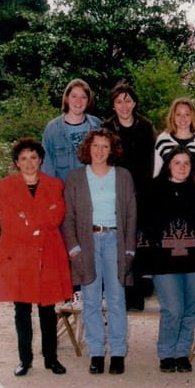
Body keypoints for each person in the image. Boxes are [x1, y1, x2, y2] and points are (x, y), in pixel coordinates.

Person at [0, 138, 73, 377]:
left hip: (48, 252)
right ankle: (24, 360)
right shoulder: (5, 187)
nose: (29, 163)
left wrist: (28, 219)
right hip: (20, 255)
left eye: (33, 158)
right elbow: (9, 222)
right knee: (22, 309)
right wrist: (37, 223)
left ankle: (51, 359)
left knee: (48, 309)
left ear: (41, 160)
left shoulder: (55, 185)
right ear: (17, 162)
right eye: (23, 158)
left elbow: (56, 216)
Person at [62, 128, 137, 375]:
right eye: (96, 146)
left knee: (116, 299)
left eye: (105, 146)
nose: (100, 151)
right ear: (88, 148)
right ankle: (95, 352)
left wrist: (129, 250)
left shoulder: (123, 176)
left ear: (112, 150)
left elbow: (131, 214)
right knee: (91, 300)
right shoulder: (76, 177)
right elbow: (68, 216)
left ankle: (117, 353)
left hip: (115, 240)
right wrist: (74, 248)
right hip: (87, 242)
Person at [135, 146, 195, 374]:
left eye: (186, 163)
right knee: (173, 309)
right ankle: (166, 353)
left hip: (194, 261)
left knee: (190, 309)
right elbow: (142, 225)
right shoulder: (152, 190)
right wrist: (146, 256)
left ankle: (182, 353)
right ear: (168, 165)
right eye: (177, 162)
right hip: (163, 261)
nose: (182, 167)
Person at [102, 80, 156, 311]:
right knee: (117, 243)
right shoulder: (107, 128)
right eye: (119, 102)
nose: (124, 106)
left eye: (128, 101)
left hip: (142, 192)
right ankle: (120, 292)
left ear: (134, 103)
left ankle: (138, 292)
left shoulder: (145, 126)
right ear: (113, 105)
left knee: (138, 242)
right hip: (114, 192)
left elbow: (151, 161)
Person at [41, 78, 101, 182]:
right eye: (74, 96)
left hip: (93, 189)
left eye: (83, 97)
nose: (78, 101)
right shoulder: (52, 129)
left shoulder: (97, 126)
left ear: (88, 101)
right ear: (67, 98)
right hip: (63, 190)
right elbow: (47, 168)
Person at [153, 97, 195, 179]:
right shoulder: (163, 140)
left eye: (187, 114)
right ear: (173, 116)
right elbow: (156, 172)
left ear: (192, 116)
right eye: (178, 114)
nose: (183, 118)